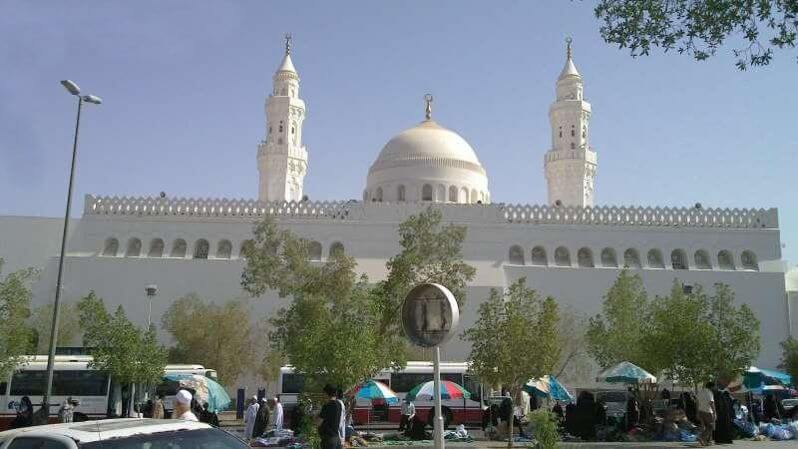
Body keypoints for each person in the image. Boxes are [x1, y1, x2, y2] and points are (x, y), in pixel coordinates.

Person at [316, 384, 343, 449]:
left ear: (326, 393)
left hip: (328, 438)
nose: (322, 395)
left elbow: (318, 423)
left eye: (323, 393)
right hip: (336, 437)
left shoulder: (327, 406)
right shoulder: (339, 404)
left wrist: (316, 414)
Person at [696, 381, 716, 447]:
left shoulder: (700, 392)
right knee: (710, 426)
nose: (714, 388)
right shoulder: (709, 393)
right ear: (711, 387)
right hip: (707, 412)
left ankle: (707, 441)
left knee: (705, 427)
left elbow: (697, 403)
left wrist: (697, 412)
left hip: (700, 411)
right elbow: (711, 403)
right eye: (714, 387)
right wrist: (714, 412)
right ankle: (701, 437)